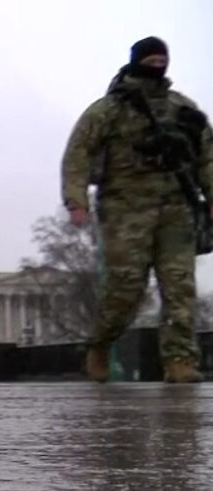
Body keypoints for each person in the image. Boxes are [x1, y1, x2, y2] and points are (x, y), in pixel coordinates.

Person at [62, 36, 213, 383]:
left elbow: (207, 155)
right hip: (125, 210)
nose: (158, 65)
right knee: (125, 290)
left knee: (180, 287)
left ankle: (179, 361)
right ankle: (99, 345)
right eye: (151, 60)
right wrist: (77, 201)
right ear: (137, 61)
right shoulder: (109, 109)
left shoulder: (182, 108)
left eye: (163, 59)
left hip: (176, 209)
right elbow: (78, 154)